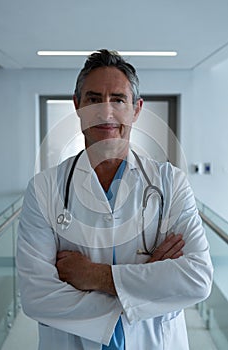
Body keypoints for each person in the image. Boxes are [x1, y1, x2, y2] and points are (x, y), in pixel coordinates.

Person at [17, 49, 213, 350]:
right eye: (94, 99)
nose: (106, 113)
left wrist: (96, 276)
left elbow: (197, 279)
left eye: (118, 100)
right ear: (77, 106)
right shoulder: (44, 189)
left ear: (136, 109)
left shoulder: (170, 183)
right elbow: (36, 296)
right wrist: (147, 283)